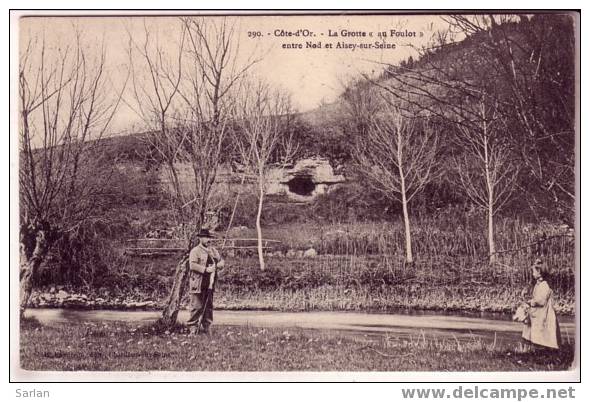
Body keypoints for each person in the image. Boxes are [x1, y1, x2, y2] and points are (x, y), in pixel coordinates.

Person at [187, 229, 225, 335]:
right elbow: (192, 265)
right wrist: (205, 269)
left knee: (208, 306)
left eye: (209, 237)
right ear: (200, 238)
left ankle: (207, 327)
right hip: (198, 283)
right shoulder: (195, 251)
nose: (208, 240)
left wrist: (221, 264)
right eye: (205, 237)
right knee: (196, 306)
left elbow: (221, 260)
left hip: (210, 283)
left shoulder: (213, 250)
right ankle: (193, 327)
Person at [521, 258, 561, 350]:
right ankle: (534, 348)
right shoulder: (538, 284)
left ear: (540, 272)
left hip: (544, 312)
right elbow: (536, 296)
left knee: (543, 329)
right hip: (538, 312)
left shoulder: (544, 285)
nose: (532, 274)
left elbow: (541, 301)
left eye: (534, 272)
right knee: (533, 328)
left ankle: (544, 349)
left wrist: (532, 302)